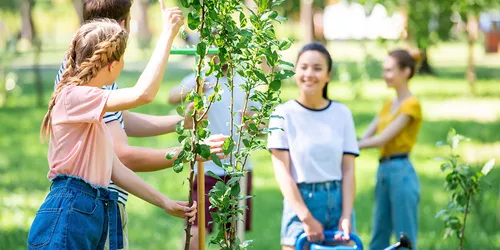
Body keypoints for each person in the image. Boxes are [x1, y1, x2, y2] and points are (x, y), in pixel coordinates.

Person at [52, 1, 227, 249]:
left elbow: (116, 156)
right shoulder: (77, 92)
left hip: (88, 209)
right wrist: (167, 35)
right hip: (80, 210)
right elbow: (142, 96)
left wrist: (164, 201)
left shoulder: (85, 85)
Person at [267, 42, 358, 249]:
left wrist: (345, 214)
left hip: (338, 202)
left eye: (318, 68)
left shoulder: (342, 113)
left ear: (328, 75)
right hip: (300, 202)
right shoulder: (283, 114)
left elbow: (349, 168)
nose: (310, 74)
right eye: (304, 67)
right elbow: (282, 172)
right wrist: (306, 218)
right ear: (295, 71)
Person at [168, 55, 258, 250]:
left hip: (238, 168)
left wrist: (252, 120)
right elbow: (172, 96)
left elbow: (260, 126)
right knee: (194, 232)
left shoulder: (245, 82)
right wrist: (195, 88)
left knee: (232, 234)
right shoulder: (202, 78)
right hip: (205, 168)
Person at [357, 49, 422, 250]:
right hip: (384, 171)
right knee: (379, 233)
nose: (385, 75)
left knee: (404, 237)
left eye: (390, 70)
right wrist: (349, 142)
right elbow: (366, 136)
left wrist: (346, 146)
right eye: (384, 70)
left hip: (401, 171)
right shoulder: (389, 104)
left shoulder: (411, 105)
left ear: (406, 72)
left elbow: (382, 139)